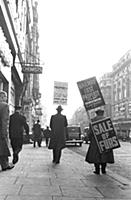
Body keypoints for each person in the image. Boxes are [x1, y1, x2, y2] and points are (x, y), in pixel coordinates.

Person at [85, 109, 114, 175]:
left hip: (95, 141)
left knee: (96, 155)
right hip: (105, 140)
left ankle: (97, 170)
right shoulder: (107, 120)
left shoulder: (92, 120)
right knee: (105, 155)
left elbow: (90, 132)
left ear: (96, 113)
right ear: (102, 113)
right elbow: (111, 131)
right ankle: (103, 170)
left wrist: (88, 137)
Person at [0, 90, 14, 171]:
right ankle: (5, 165)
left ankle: (4, 164)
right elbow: (4, 120)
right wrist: (4, 132)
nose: (6, 98)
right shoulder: (4, 106)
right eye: (5, 97)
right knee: (3, 148)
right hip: (1, 131)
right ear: (2, 97)